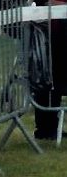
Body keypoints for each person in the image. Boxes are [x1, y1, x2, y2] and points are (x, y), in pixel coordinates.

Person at [33, 0, 67, 140]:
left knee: (54, 81)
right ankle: (46, 129)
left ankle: (49, 127)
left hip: (57, 32)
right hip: (48, 35)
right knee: (49, 81)